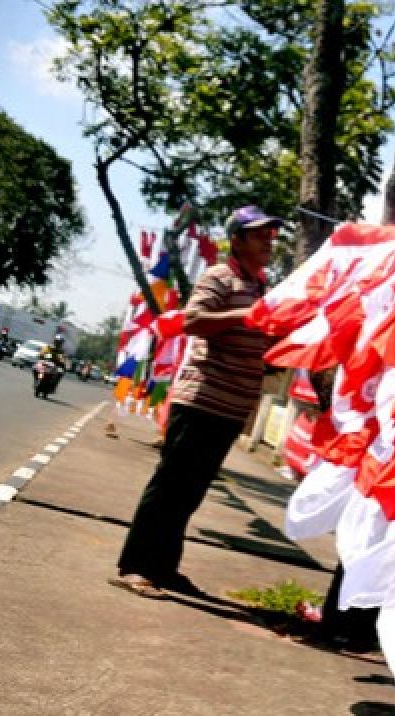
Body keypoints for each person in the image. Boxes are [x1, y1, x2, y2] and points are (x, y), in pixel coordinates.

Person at [109, 205, 283, 598]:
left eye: (271, 235)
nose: (268, 242)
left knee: (191, 492)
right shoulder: (220, 276)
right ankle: (135, 566)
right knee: (170, 487)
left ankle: (164, 568)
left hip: (230, 408)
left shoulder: (260, 287)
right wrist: (248, 315)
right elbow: (193, 320)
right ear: (236, 241)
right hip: (202, 400)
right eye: (259, 235)